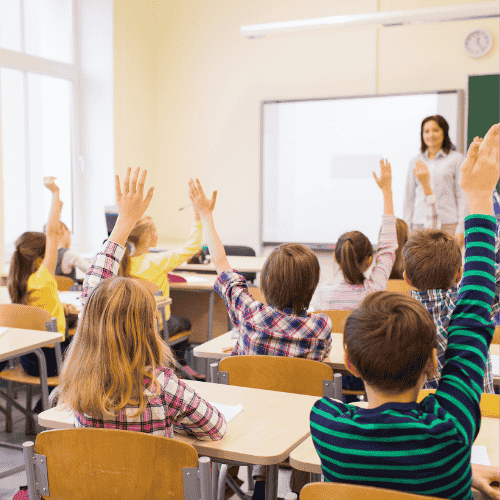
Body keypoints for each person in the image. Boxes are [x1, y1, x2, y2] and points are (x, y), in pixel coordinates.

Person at [310, 124, 499, 500]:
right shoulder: (451, 432)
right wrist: (479, 198)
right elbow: (473, 315)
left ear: (350, 361)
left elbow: (471, 320)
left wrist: (461, 471)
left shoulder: (327, 426)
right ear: (433, 363)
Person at [58, 167, 226, 440]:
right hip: (154, 485)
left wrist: (123, 222)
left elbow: (93, 290)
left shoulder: (79, 384)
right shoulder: (162, 387)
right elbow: (215, 428)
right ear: (148, 327)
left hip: (95, 483)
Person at [402, 156, 497, 392]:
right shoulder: (470, 305)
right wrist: (482, 192)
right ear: (460, 275)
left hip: (422, 426)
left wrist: (426, 189)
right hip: (480, 421)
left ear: (406, 278)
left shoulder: (396, 321)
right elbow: (489, 263)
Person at [7, 178, 71, 377]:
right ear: (41, 257)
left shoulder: (16, 281)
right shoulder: (43, 278)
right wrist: (55, 193)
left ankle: (43, 401)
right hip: (52, 361)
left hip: (29, 359)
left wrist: (61, 309)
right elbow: (52, 232)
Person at [314, 159, 397, 311]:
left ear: (335, 258)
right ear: (369, 260)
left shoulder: (323, 294)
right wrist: (387, 192)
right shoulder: (372, 293)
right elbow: (388, 247)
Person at [403, 114, 467, 246]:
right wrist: (406, 227)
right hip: (419, 225)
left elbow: (462, 196)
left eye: (435, 130)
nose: (430, 134)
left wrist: (461, 228)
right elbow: (409, 198)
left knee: (447, 264)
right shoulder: (415, 162)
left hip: (448, 224)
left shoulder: (456, 159)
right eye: (426, 131)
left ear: (444, 132)